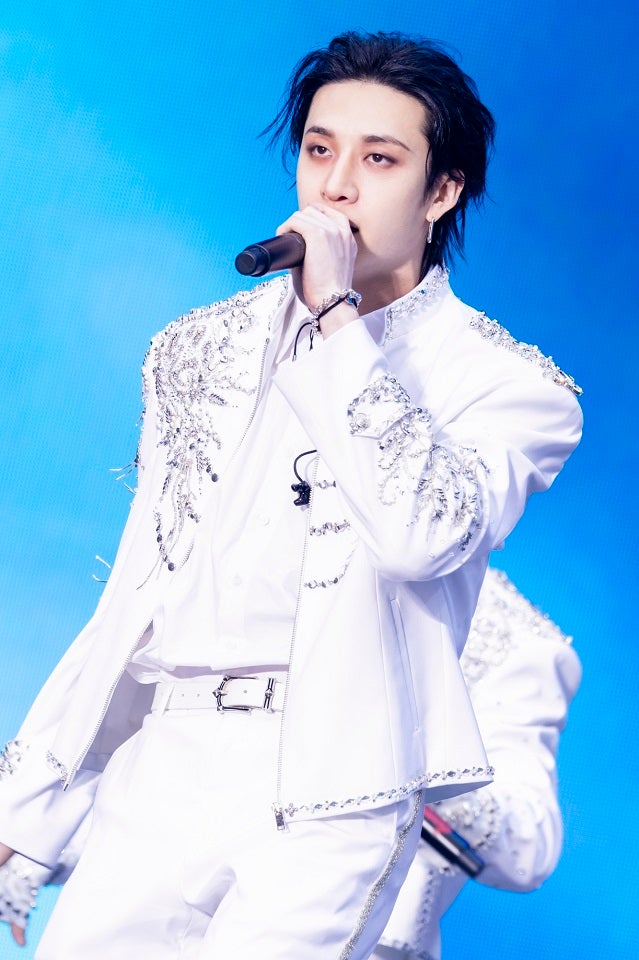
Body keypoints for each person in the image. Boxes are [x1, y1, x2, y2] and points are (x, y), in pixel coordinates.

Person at [0, 31, 582, 960]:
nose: (336, 186)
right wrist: (27, 806)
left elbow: (422, 535)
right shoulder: (196, 349)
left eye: (379, 159)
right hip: (167, 761)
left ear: (442, 190)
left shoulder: (508, 385)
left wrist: (336, 317)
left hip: (334, 786)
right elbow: (142, 594)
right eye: (319, 150)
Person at [0, 568, 582, 958]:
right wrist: (33, 850)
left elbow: (531, 847)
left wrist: (411, 755)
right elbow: (188, 756)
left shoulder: (517, 641)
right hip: (170, 906)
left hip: (359, 934)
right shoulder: (277, 553)